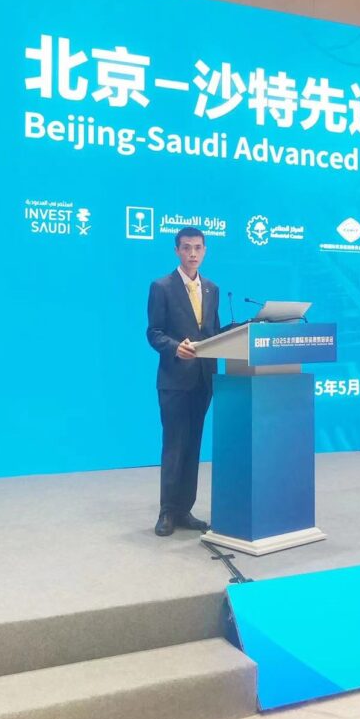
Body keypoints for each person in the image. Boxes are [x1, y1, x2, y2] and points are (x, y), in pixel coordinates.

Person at [146, 226, 220, 536]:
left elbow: (213, 333)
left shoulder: (212, 289)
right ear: (177, 250)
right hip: (175, 380)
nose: (192, 253)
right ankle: (167, 511)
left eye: (198, 248)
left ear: (205, 251)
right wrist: (176, 347)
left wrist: (244, 329)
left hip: (204, 380)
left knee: (193, 446)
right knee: (174, 445)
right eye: (187, 247)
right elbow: (154, 333)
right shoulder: (161, 287)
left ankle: (185, 510)